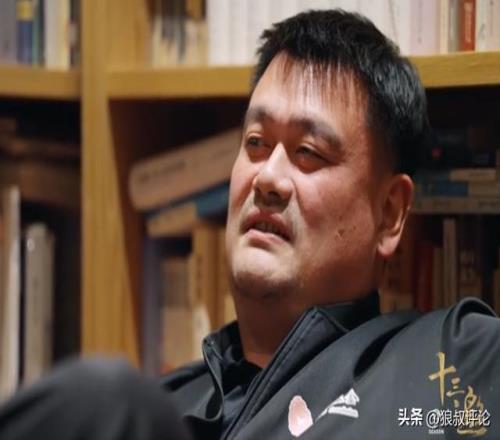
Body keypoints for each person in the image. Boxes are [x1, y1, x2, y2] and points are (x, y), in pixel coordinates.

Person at [0, 8, 498, 440]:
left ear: (389, 214)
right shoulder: (158, 410)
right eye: (256, 144)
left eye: (308, 152)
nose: (268, 178)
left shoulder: (449, 365)